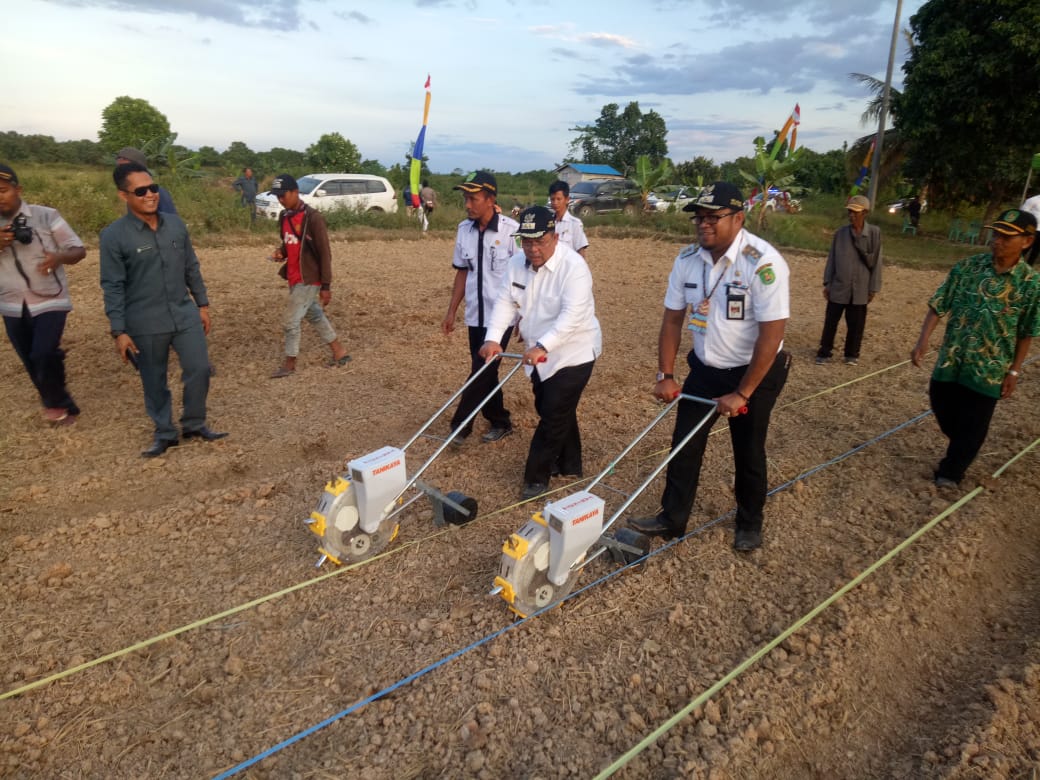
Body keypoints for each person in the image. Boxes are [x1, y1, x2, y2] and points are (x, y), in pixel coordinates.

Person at [628, 182, 791, 552]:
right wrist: (665, 374)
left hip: (755, 372)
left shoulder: (762, 263)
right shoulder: (686, 260)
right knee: (685, 442)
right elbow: (672, 320)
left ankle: (749, 523)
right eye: (699, 217)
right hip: (705, 366)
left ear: (738, 218)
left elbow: (771, 335)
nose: (703, 224)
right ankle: (672, 519)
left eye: (713, 217)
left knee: (748, 449)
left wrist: (742, 393)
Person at [100, 162, 227, 457]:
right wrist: (118, 330)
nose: (150, 195)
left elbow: (191, 266)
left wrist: (203, 304)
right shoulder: (114, 236)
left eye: (153, 188)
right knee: (153, 379)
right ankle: (165, 433)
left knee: (199, 368)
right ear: (124, 196)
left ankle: (195, 423)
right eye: (141, 190)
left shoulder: (176, 225)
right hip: (144, 320)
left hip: (184, 312)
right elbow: (113, 285)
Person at [910, 208, 1039, 487]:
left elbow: (1026, 332)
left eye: (1007, 236)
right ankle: (965, 444)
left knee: (974, 422)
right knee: (941, 404)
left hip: (990, 369)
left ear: (1027, 242)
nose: (998, 241)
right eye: (996, 234)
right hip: (952, 359)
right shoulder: (967, 268)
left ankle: (951, 471)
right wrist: (922, 342)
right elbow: (938, 305)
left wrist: (1014, 371)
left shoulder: (1031, 285)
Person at [479, 206, 601, 500]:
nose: (533, 249)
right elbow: (505, 303)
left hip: (574, 351)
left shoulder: (573, 268)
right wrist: (494, 339)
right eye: (527, 241)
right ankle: (571, 464)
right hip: (538, 353)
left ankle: (536, 477)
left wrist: (543, 346)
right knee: (553, 407)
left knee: (552, 412)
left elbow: (572, 316)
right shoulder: (516, 264)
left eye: (539, 241)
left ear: (555, 237)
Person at [0, 164, 86, 424]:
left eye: (3, 190)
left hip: (51, 298)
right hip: (10, 302)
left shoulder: (46, 216)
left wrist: (58, 257)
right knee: (30, 358)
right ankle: (61, 402)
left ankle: (55, 404)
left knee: (42, 353)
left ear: (18, 189)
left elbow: (78, 250)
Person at [442, 170, 519, 444]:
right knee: (486, 370)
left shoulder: (512, 231)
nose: (467, 204)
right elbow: (462, 272)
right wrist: (452, 310)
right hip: (475, 315)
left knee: (483, 369)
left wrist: (523, 314)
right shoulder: (464, 230)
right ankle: (501, 420)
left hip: (503, 318)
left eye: (473, 199)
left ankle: (460, 427)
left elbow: (524, 276)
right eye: (466, 198)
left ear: (490, 199)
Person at [267, 173, 351, 378]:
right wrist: (282, 252)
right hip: (294, 276)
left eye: (283, 195)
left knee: (290, 321)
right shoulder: (284, 216)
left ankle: (289, 364)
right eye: (277, 196)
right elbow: (288, 243)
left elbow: (325, 253)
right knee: (314, 314)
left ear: (295, 192)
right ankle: (340, 352)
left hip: (309, 278)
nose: (280, 200)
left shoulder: (313, 218)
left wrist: (326, 286)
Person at [815, 194, 882, 366]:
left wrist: (873, 288)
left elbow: (877, 262)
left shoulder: (874, 233)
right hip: (839, 285)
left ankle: (852, 354)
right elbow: (832, 259)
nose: (852, 215)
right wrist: (827, 283)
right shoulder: (840, 234)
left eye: (856, 212)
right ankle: (824, 351)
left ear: (865, 213)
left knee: (856, 324)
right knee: (831, 321)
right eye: (850, 212)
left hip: (861, 287)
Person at [115, 148, 177, 215]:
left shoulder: (159, 194)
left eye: (124, 167)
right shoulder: (129, 192)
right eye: (119, 167)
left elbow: (170, 221)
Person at [548, 180, 589, 258]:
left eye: (559, 199)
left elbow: (581, 252)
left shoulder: (575, 224)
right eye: (552, 199)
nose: (555, 203)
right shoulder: (547, 223)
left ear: (567, 199)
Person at [1021, 194, 1040, 265]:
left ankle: (1029, 268)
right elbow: (1023, 214)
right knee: (1025, 248)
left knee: (1035, 252)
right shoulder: (1033, 200)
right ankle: (1015, 265)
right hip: (1031, 229)